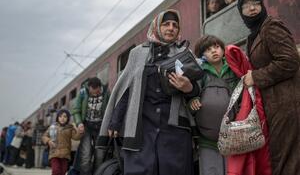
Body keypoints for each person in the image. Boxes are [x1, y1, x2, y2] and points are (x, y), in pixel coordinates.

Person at [97, 9, 200, 175]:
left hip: (174, 127)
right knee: (141, 169)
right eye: (166, 24)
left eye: (175, 25)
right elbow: (125, 89)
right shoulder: (138, 53)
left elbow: (196, 89)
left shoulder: (185, 53)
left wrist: (189, 88)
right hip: (141, 126)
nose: (171, 28)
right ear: (157, 26)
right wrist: (115, 121)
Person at [237, 0, 300, 175]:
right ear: (241, 12)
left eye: (255, 3)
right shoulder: (255, 34)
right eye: (246, 6)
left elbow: (289, 61)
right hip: (277, 107)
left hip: (288, 105)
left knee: (288, 161)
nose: (251, 8)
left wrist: (256, 77)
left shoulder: (271, 26)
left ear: (262, 5)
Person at [189, 35, 238, 175]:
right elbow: (192, 94)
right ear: (202, 55)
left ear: (222, 49)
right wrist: (192, 101)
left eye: (216, 47)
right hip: (207, 141)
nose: (213, 51)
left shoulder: (233, 67)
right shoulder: (199, 73)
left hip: (234, 136)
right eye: (208, 49)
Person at [71, 77, 110, 175]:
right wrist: (79, 123)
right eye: (93, 92)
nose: (95, 94)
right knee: (85, 154)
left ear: (100, 87)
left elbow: (111, 108)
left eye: (97, 92)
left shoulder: (106, 92)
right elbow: (76, 110)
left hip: (101, 126)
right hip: (87, 126)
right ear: (89, 88)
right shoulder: (83, 92)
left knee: (100, 154)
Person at [42, 109, 81, 175]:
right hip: (54, 154)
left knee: (63, 172)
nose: (62, 118)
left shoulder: (70, 128)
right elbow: (44, 136)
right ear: (57, 118)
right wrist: (48, 141)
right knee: (56, 171)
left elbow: (76, 137)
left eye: (65, 116)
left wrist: (76, 128)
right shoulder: (53, 127)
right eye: (60, 116)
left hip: (65, 154)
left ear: (68, 118)